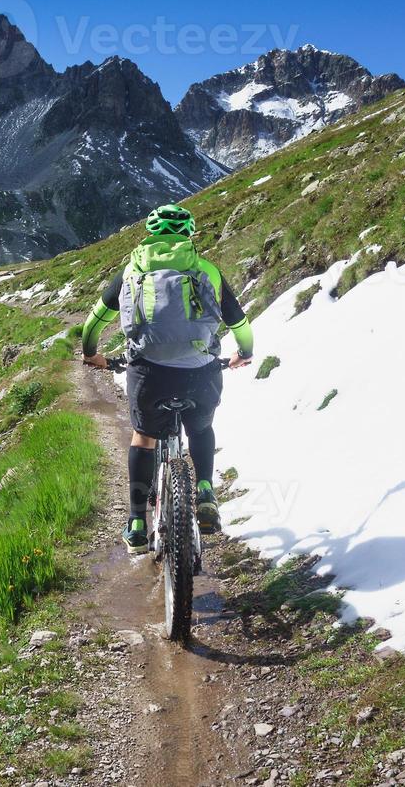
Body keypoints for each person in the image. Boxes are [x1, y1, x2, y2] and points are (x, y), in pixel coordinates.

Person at [80, 204, 255, 554]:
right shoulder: (206, 270)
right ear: (188, 234)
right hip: (200, 372)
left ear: (151, 233)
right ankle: (205, 489)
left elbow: (92, 325)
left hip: (149, 373)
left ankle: (136, 523)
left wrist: (91, 355)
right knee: (201, 429)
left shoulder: (131, 271)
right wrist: (244, 353)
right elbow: (239, 324)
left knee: (144, 437)